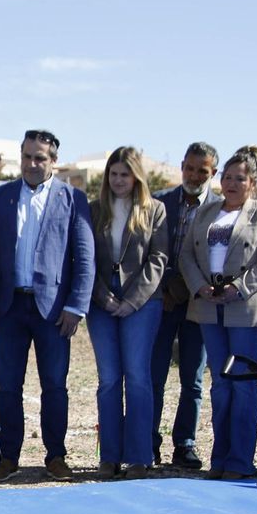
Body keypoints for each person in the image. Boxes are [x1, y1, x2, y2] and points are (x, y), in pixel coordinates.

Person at [0, 127, 93, 481]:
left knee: (54, 386)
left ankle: (55, 456)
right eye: (26, 156)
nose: (31, 163)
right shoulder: (0, 197)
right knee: (8, 387)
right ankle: (8, 456)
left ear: (54, 161)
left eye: (39, 157)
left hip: (54, 312)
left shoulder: (73, 199)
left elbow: (84, 259)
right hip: (9, 308)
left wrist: (76, 306)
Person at [180, 146, 257, 480]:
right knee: (220, 386)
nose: (232, 183)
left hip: (247, 309)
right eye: (227, 176)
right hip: (209, 308)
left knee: (242, 385)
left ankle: (240, 461)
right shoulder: (205, 213)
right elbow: (186, 257)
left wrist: (240, 287)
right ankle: (219, 459)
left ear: (253, 183)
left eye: (240, 178)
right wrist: (200, 287)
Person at [86, 147, 169, 479]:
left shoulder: (156, 210)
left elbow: (159, 258)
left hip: (142, 302)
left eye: (125, 174)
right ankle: (109, 457)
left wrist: (132, 300)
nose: (119, 180)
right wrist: (103, 296)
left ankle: (138, 456)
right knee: (108, 380)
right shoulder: (94, 210)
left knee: (137, 377)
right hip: (101, 302)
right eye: (114, 173)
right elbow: (85, 257)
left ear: (136, 176)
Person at [150, 142, 217, 471]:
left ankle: (185, 443)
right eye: (189, 168)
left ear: (212, 173)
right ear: (181, 166)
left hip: (198, 303)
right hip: (161, 302)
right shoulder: (160, 201)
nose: (194, 175)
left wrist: (194, 289)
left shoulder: (220, 208)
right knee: (155, 376)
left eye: (202, 171)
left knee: (192, 378)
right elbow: (148, 251)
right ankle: (149, 442)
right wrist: (161, 289)